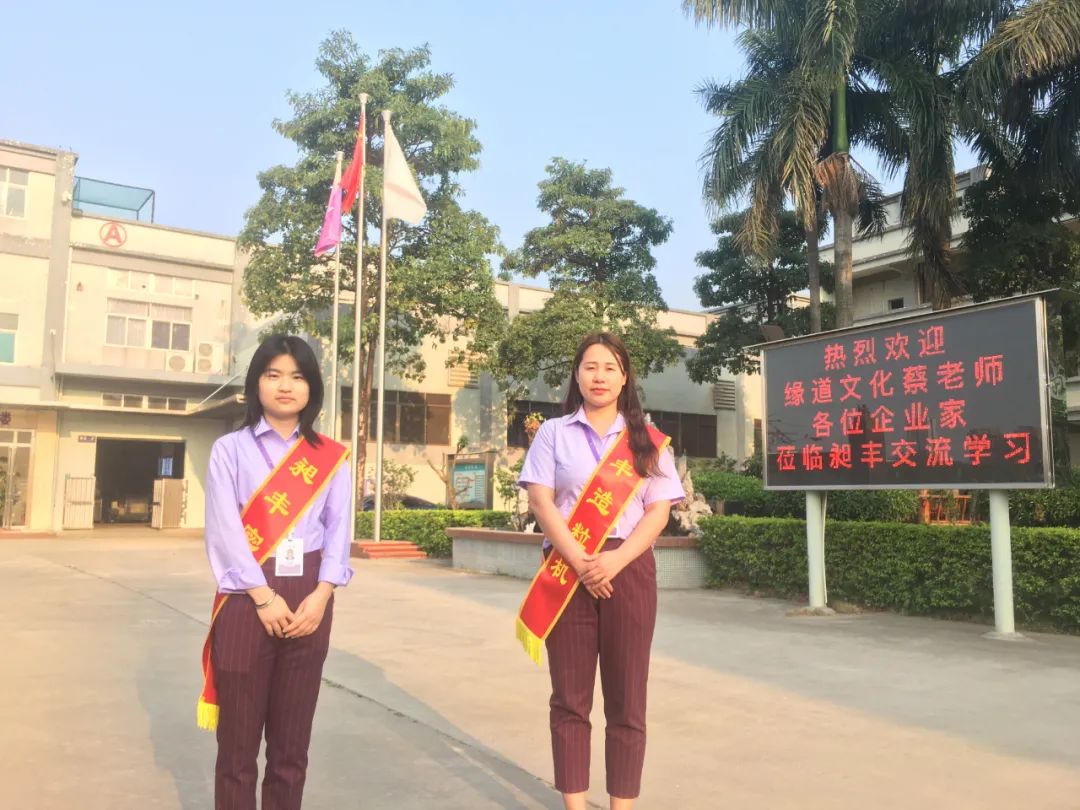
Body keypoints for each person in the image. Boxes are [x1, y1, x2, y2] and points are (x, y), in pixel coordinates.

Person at [517, 332, 685, 810]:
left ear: (624, 377)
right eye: (590, 367)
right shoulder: (553, 433)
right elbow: (540, 501)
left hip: (628, 569)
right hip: (566, 569)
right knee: (570, 699)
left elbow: (658, 511)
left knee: (627, 700)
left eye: (610, 368)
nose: (599, 377)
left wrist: (614, 559)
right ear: (577, 374)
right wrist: (579, 559)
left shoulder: (647, 440)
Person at [197, 334, 353, 810]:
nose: (286, 386)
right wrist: (262, 596)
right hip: (246, 595)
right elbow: (224, 530)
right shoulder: (229, 449)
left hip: (310, 594)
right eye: (274, 375)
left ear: (312, 388)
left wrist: (322, 595)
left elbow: (339, 529)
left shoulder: (331, 456)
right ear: (256, 384)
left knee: (291, 748)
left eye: (298, 376)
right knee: (237, 749)